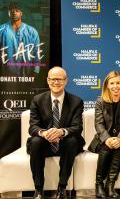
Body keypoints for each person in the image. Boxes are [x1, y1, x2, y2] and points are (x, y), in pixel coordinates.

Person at [27, 67, 85, 199]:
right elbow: (33, 127)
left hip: (66, 143)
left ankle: (62, 188)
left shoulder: (76, 101)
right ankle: (38, 189)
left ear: (66, 81)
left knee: (72, 141)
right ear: (48, 81)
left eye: (60, 79)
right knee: (35, 141)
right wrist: (45, 133)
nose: (56, 82)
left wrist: (61, 132)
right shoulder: (37, 100)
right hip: (45, 143)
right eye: (53, 79)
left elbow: (77, 127)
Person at [88, 71, 120, 198]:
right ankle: (98, 184)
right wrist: (107, 139)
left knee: (119, 146)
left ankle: (110, 184)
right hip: (102, 139)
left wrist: (119, 139)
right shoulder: (100, 102)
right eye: (112, 83)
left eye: (118, 83)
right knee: (107, 146)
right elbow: (99, 125)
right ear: (107, 86)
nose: (115, 86)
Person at [0, 2, 41, 76]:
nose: (14, 13)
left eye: (17, 10)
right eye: (12, 11)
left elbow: (36, 52)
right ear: (9, 13)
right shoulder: (1, 30)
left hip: (26, 74)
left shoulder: (31, 31)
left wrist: (36, 70)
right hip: (5, 75)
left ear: (21, 13)